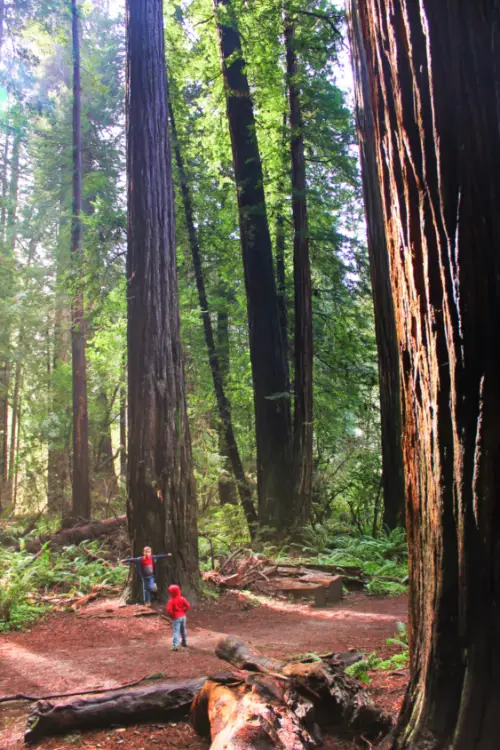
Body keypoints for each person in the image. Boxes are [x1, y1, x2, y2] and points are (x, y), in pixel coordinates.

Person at [167, 584, 190, 651]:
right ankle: (184, 642)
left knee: (176, 631)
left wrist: (172, 616)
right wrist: (184, 611)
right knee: (183, 630)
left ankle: (175, 645)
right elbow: (188, 606)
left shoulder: (171, 601)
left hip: (176, 618)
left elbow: (169, 611)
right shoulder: (182, 599)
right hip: (183, 617)